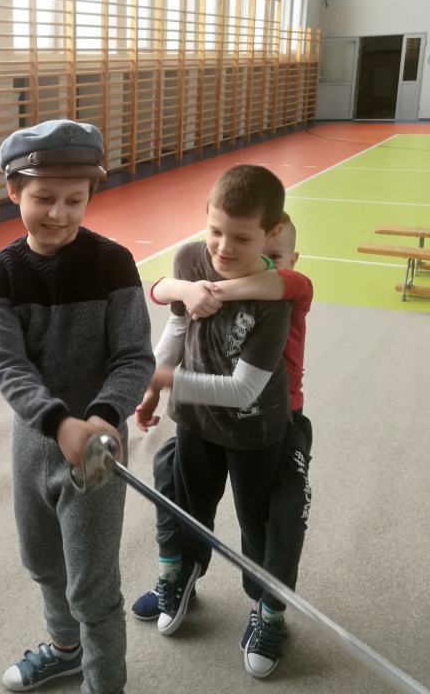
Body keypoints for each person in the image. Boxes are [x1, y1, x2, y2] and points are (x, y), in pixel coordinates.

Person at [0, 120, 155, 693]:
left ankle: (104, 685)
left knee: (93, 586)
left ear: (90, 196)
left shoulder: (113, 263)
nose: (58, 213)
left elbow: (134, 356)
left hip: (97, 449)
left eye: (74, 200)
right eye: (43, 198)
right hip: (34, 443)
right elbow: (8, 364)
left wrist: (102, 416)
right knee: (43, 563)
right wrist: (56, 423)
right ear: (14, 190)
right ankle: (64, 649)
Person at [133, 211, 313, 679]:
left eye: (272, 258)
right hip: (203, 416)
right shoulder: (211, 266)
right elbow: (172, 315)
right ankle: (181, 570)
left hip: (269, 423)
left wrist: (204, 289)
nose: (255, 267)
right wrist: (184, 288)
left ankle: (269, 609)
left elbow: (244, 386)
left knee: (273, 518)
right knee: (175, 485)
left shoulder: (289, 288)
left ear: (288, 259)